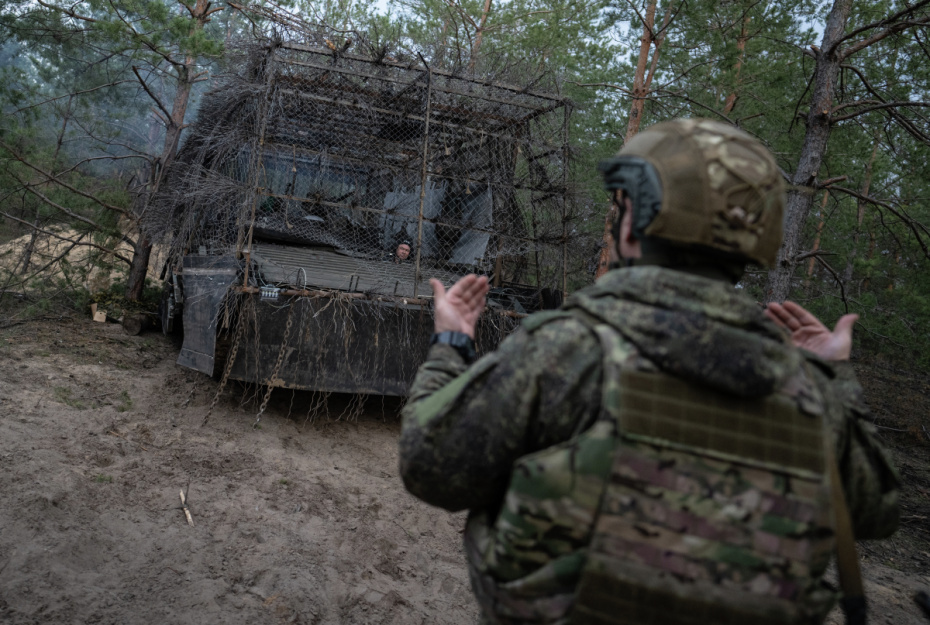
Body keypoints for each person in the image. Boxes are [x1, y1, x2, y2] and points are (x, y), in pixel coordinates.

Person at [399, 119, 900, 625]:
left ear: (636, 216)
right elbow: (875, 511)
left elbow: (430, 465)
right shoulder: (809, 385)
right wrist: (832, 375)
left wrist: (451, 342)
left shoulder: (570, 348)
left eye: (619, 205)